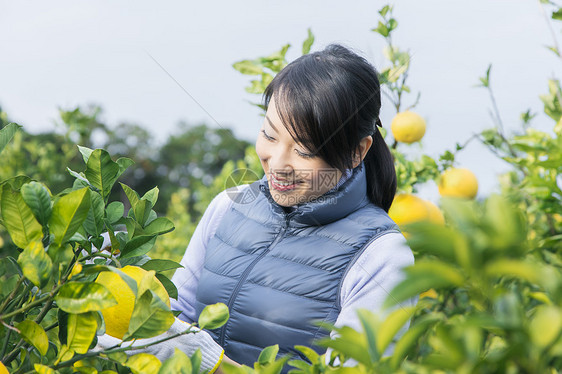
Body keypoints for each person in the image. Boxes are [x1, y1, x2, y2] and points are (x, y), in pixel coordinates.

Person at [168, 43, 417, 372]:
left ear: (358, 151)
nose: (279, 164)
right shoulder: (229, 207)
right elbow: (175, 315)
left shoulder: (382, 257)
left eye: (304, 150)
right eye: (269, 136)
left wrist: (216, 366)